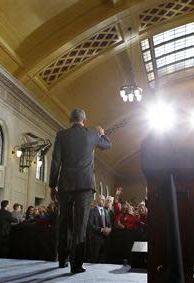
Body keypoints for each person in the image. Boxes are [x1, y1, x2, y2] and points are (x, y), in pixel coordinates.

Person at [49, 108, 111, 273]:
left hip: (65, 185)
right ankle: (76, 266)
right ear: (84, 120)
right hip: (85, 186)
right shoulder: (92, 134)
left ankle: (62, 260)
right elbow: (107, 145)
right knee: (80, 225)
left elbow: (55, 162)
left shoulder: (61, 135)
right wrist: (102, 133)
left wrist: (52, 185)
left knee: (64, 222)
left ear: (70, 119)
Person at [87, 194, 111, 263]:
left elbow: (109, 224)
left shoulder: (106, 211)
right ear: (97, 200)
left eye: (104, 200)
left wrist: (109, 229)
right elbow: (90, 225)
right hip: (95, 239)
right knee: (94, 259)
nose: (103, 201)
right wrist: (101, 230)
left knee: (103, 260)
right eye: (102, 199)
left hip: (105, 239)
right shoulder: (92, 211)